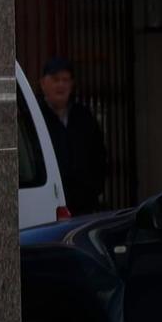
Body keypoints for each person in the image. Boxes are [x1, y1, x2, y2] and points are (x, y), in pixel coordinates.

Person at [38, 55, 108, 215]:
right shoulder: (35, 117)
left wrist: (94, 188)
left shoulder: (83, 116)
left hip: (84, 204)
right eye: (55, 79)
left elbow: (99, 155)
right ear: (43, 83)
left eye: (65, 80)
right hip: (48, 203)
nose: (61, 85)